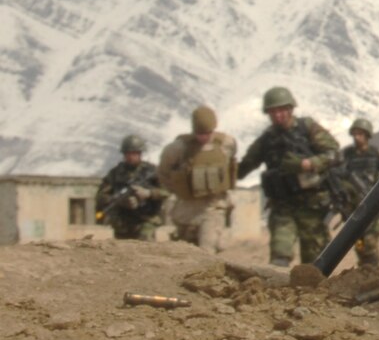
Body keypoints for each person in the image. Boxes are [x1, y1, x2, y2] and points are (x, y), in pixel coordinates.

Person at [237, 86, 341, 268]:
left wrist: (309, 164)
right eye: (273, 111)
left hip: (312, 206)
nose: (278, 115)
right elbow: (243, 167)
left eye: (281, 110)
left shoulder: (307, 128)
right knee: (280, 255)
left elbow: (335, 154)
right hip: (282, 206)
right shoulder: (267, 140)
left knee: (315, 263)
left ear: (290, 109)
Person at [156, 105, 238, 252]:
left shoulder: (226, 144)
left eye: (208, 133)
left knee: (207, 252)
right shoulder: (178, 148)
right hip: (185, 210)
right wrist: (179, 190)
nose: (204, 137)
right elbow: (163, 173)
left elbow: (230, 167)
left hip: (213, 207)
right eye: (200, 133)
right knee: (183, 254)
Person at [335, 116, 379, 271]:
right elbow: (336, 172)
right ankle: (365, 271)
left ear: (367, 135)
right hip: (353, 207)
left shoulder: (376, 154)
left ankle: (373, 271)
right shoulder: (347, 154)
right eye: (354, 134)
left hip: (374, 206)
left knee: (370, 241)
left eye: (360, 134)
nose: (356, 137)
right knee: (358, 243)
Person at [94, 136, 168, 240]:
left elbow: (166, 191)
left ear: (140, 154)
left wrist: (148, 193)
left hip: (146, 220)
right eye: (127, 153)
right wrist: (119, 200)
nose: (130, 157)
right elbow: (101, 196)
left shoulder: (152, 171)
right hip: (123, 222)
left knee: (145, 243)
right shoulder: (115, 173)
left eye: (134, 153)